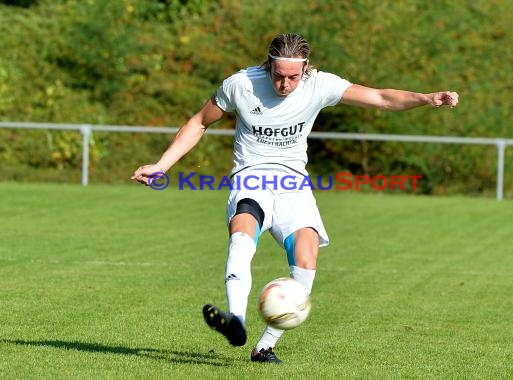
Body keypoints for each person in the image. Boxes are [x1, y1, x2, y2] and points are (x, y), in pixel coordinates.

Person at [132, 33, 459, 364]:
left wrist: (425, 98)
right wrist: (161, 165)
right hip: (251, 178)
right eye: (278, 75)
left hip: (294, 185)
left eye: (293, 77)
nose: (285, 84)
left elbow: (381, 97)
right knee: (242, 237)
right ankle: (236, 320)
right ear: (269, 65)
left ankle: (265, 347)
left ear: (305, 69)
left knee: (306, 260)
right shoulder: (241, 84)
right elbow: (200, 122)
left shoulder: (320, 85)